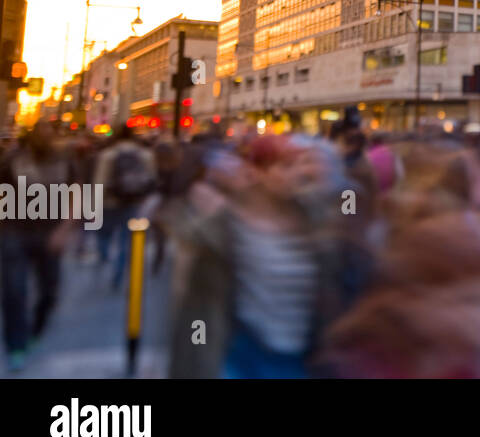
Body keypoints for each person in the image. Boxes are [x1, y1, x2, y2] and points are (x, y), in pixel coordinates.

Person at [168, 134, 346, 378]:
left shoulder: (315, 220)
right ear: (257, 171)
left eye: (297, 165)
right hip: (242, 360)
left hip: (300, 363)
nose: (295, 175)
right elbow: (198, 317)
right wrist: (196, 364)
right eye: (285, 166)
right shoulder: (222, 231)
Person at [0, 122, 76, 371]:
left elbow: (77, 195)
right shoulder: (13, 161)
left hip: (50, 233)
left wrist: (64, 230)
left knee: (49, 292)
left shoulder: (65, 161)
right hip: (15, 232)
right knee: (14, 290)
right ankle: (16, 344)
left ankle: (35, 330)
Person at [92, 123, 158, 289]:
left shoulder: (108, 155)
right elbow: (151, 179)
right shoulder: (144, 154)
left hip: (109, 202)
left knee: (103, 234)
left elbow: (99, 181)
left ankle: (104, 257)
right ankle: (119, 274)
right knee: (126, 240)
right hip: (133, 202)